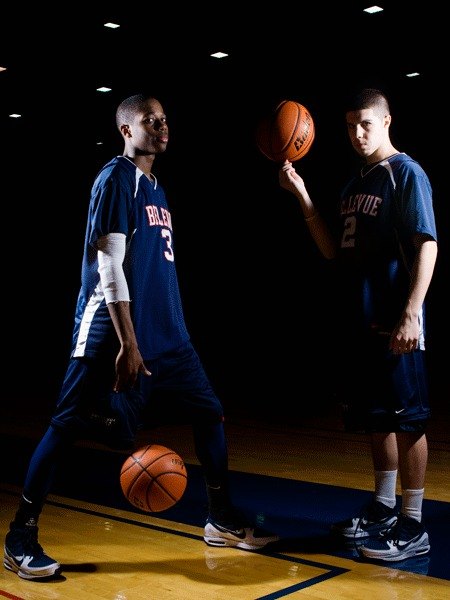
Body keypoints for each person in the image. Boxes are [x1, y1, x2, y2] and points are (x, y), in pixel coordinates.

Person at [3, 93, 278, 581]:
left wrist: (166, 330)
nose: (162, 125)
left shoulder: (155, 186)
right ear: (126, 130)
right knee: (66, 426)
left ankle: (219, 517)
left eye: (165, 118)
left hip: (168, 335)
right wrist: (128, 343)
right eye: (150, 120)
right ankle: (20, 535)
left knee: (209, 412)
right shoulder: (116, 179)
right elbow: (109, 264)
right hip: (112, 333)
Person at [278, 88, 437, 562]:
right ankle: (384, 508)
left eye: (366, 123)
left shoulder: (404, 173)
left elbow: (427, 244)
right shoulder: (353, 184)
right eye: (350, 126)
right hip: (362, 318)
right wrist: (304, 196)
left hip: (396, 318)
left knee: (407, 419)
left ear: (388, 121)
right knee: (377, 418)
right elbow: (331, 251)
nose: (357, 133)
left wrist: (412, 311)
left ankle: (413, 524)